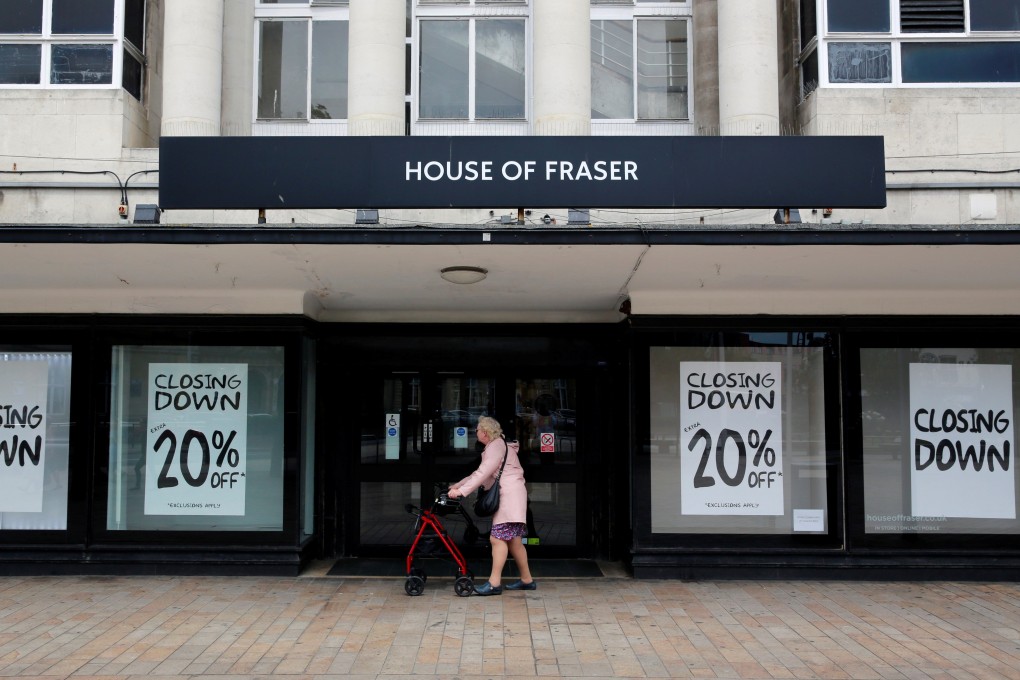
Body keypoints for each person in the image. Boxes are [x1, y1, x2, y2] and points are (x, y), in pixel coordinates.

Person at [448, 416, 536, 595]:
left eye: (478, 430)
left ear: (485, 433)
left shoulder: (495, 446)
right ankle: (527, 580)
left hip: (509, 497)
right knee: (514, 541)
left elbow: (483, 473)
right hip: (513, 495)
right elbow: (481, 473)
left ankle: (494, 584)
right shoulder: (497, 445)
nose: (476, 432)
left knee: (497, 539)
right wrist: (458, 485)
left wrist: (461, 492)